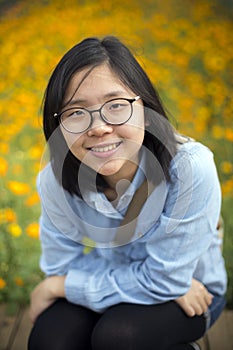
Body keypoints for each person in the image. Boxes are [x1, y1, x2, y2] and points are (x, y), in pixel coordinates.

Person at [28, 36, 227, 350]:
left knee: (117, 338)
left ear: (145, 109)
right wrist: (154, 280)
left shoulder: (190, 168)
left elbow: (64, 279)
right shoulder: (54, 180)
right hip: (170, 286)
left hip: (197, 294)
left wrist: (58, 287)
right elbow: (62, 268)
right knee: (49, 340)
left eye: (116, 105)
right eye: (76, 113)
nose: (99, 127)